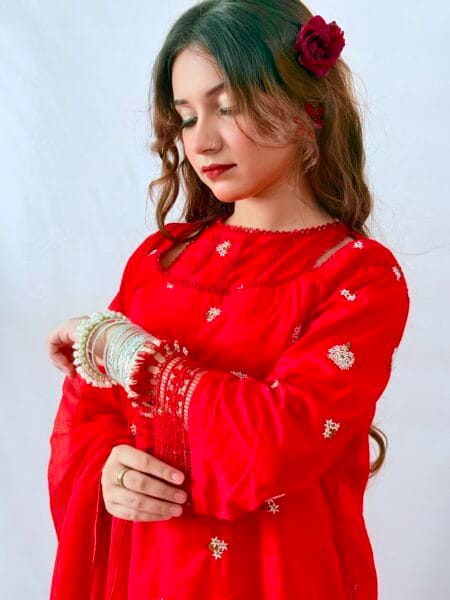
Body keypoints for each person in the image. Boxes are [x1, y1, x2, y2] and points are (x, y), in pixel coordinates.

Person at [46, 1, 410, 598]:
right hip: (149, 575)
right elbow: (93, 416)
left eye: (228, 106)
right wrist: (111, 470)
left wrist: (128, 351)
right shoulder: (161, 260)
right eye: (186, 117)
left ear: (305, 104)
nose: (202, 141)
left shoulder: (359, 276)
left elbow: (274, 445)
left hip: (281, 579)